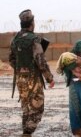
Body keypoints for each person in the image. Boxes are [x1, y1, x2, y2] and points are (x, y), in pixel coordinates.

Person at [9, 9, 55, 137]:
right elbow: (41, 62)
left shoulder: (15, 40)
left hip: (20, 79)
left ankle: (26, 132)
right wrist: (49, 78)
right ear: (32, 23)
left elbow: (11, 59)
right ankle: (27, 133)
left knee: (27, 109)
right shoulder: (34, 39)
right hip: (33, 79)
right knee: (37, 109)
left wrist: (20, 69)